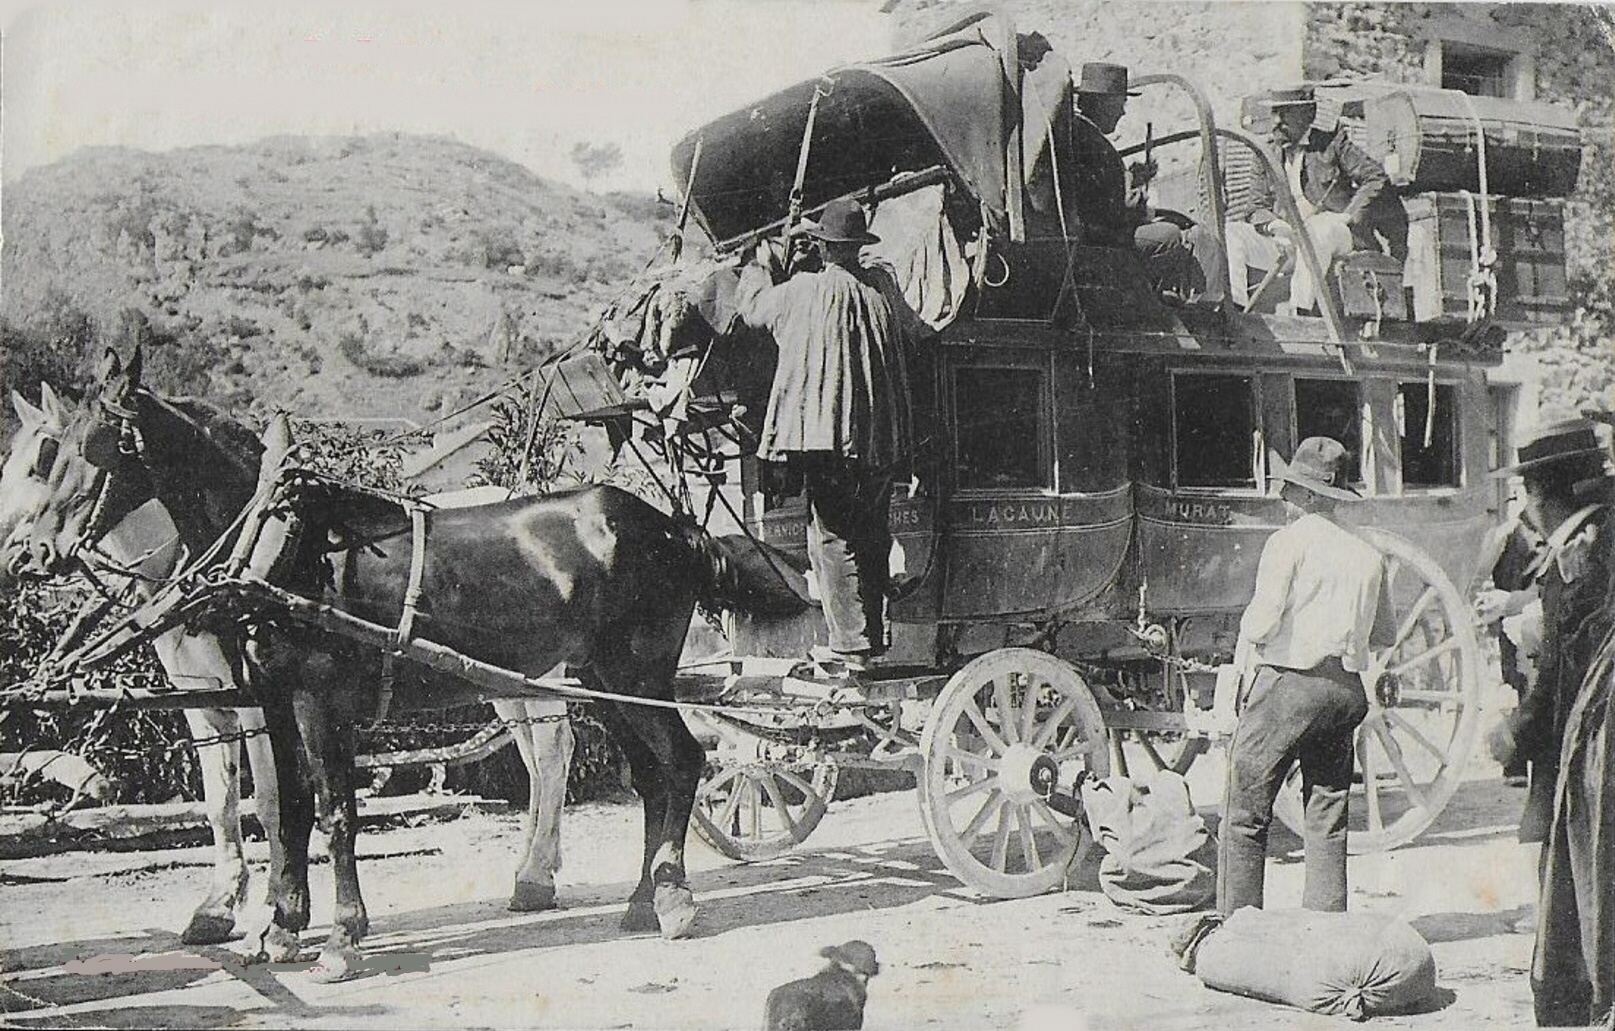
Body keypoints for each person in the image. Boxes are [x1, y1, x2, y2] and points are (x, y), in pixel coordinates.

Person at [735, 198, 921, 671]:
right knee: (873, 533)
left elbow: (754, 310)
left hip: (826, 441)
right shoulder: (880, 289)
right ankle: (874, 639)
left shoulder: (804, 290)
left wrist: (759, 263)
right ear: (858, 246)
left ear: (821, 246)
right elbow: (912, 327)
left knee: (831, 537)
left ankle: (849, 645)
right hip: (881, 442)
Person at [1217, 436, 1396, 915]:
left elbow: (1260, 624)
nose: (1283, 497)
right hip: (1344, 691)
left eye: (1291, 488)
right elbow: (1384, 634)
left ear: (1313, 495)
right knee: (1327, 816)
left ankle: (1238, 928)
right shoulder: (1369, 552)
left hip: (1288, 687)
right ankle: (1325, 927)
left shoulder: (1287, 543)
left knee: (1244, 814)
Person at [1485, 420, 1615, 849]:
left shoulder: (1578, 554)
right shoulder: (1602, 535)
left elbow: (1565, 671)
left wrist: (1516, 731)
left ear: (1539, 493)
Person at [1224, 86, 1408, 314]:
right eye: (1274, 112)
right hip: (1289, 240)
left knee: (1317, 230)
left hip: (1336, 236)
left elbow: (1375, 177)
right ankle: (1233, 309)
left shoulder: (1331, 142)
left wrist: (1347, 216)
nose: (1277, 121)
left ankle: (1300, 310)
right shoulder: (1266, 153)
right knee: (1232, 232)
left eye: (1286, 113)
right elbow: (1256, 207)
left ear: (1308, 114)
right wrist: (1274, 226)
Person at [1062, 62, 1223, 305]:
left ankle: (1161, 297)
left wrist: (1132, 179)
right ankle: (1203, 309)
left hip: (1094, 235)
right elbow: (1111, 210)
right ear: (1103, 103)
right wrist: (1141, 205)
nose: (1122, 113)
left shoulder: (1081, 134)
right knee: (1175, 234)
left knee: (1173, 223)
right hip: (1100, 241)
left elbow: (1101, 193)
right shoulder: (1091, 142)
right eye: (1120, 104)